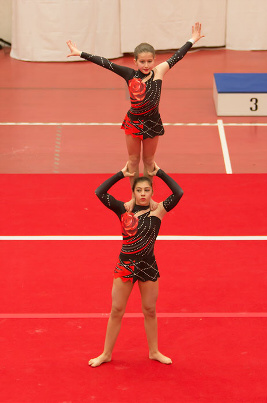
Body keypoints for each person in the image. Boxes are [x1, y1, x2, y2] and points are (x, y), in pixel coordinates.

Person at [66, 22, 204, 210]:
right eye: (142, 62)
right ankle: (134, 199)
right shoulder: (129, 74)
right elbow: (105, 63)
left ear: (154, 60)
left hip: (153, 123)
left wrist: (192, 40)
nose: (146, 65)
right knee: (132, 161)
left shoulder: (160, 71)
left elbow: (177, 56)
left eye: (149, 61)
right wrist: (80, 53)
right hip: (133, 123)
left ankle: (148, 199)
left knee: (149, 162)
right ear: (135, 62)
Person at [88, 162, 184, 367]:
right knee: (116, 310)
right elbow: (99, 192)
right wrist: (121, 174)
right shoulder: (123, 209)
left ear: (151, 192)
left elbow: (178, 192)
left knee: (149, 310)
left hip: (148, 267)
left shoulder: (158, 211)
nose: (143, 193)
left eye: (147, 190)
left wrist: (159, 172)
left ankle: (154, 351)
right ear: (133, 192)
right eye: (139, 190)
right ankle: (106, 353)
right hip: (125, 265)